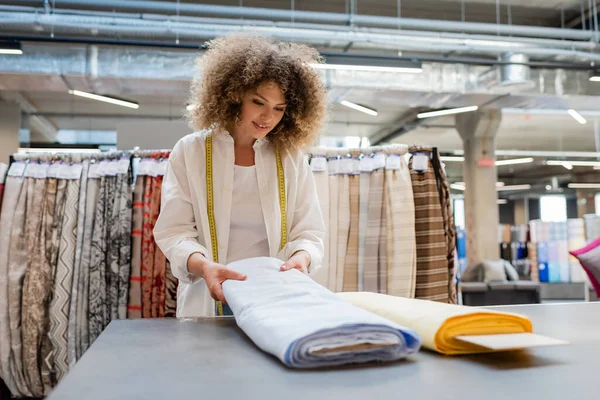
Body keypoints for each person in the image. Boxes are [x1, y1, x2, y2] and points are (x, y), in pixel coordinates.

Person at [153, 34, 328, 317]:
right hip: (208, 299)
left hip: (277, 297)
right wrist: (203, 266)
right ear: (234, 95)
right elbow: (174, 231)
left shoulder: (291, 158)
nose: (267, 117)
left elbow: (309, 230)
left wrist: (301, 258)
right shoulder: (191, 151)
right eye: (258, 102)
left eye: (279, 108)